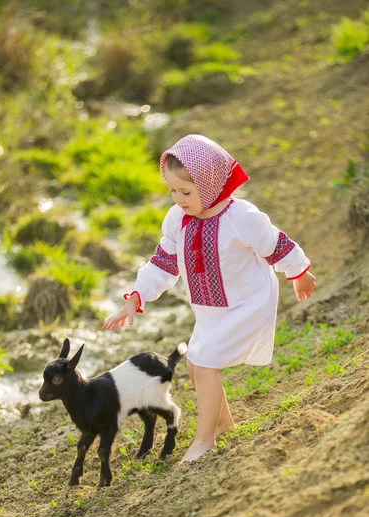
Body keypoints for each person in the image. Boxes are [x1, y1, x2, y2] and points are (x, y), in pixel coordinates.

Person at [103, 134, 316, 463]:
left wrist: (298, 272)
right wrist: (135, 297)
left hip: (247, 303)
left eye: (186, 192)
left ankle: (204, 440)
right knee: (195, 362)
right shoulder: (178, 221)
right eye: (173, 191)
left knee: (204, 363)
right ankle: (223, 425)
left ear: (212, 183)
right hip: (210, 310)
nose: (179, 199)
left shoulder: (240, 217)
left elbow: (274, 243)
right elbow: (163, 263)